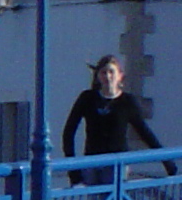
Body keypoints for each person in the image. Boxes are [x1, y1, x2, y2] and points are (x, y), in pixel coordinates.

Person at [63, 54, 176, 182]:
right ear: (98, 76)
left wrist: (167, 162)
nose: (107, 76)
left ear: (120, 76)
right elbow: (68, 132)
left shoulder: (127, 102)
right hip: (91, 162)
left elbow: (145, 133)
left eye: (111, 72)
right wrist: (72, 169)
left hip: (116, 164)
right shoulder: (87, 98)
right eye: (103, 72)